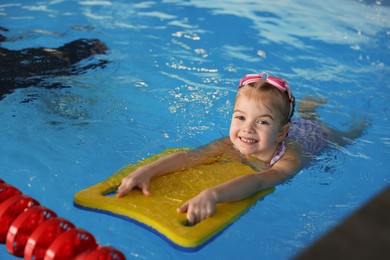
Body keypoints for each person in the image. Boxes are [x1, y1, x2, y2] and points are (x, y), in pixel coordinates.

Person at [117, 72, 365, 225]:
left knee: (350, 137)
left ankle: (354, 121)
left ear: (280, 133)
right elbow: (189, 158)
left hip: (318, 136)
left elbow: (258, 182)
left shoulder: (288, 160)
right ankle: (309, 109)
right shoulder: (230, 145)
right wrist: (146, 171)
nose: (247, 129)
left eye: (262, 122)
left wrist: (214, 194)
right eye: (240, 117)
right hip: (291, 125)